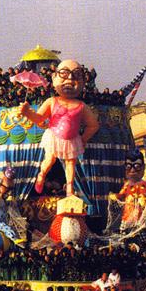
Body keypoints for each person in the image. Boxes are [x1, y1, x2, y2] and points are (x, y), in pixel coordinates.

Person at [20, 59, 100, 196]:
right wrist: (27, 113)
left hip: (72, 139)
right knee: (50, 159)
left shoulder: (81, 106)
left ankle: (70, 188)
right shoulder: (52, 101)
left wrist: (83, 139)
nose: (70, 78)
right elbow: (39, 118)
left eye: (76, 75)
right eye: (64, 73)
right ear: (54, 77)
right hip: (54, 136)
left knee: (71, 163)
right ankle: (41, 175)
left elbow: (93, 125)